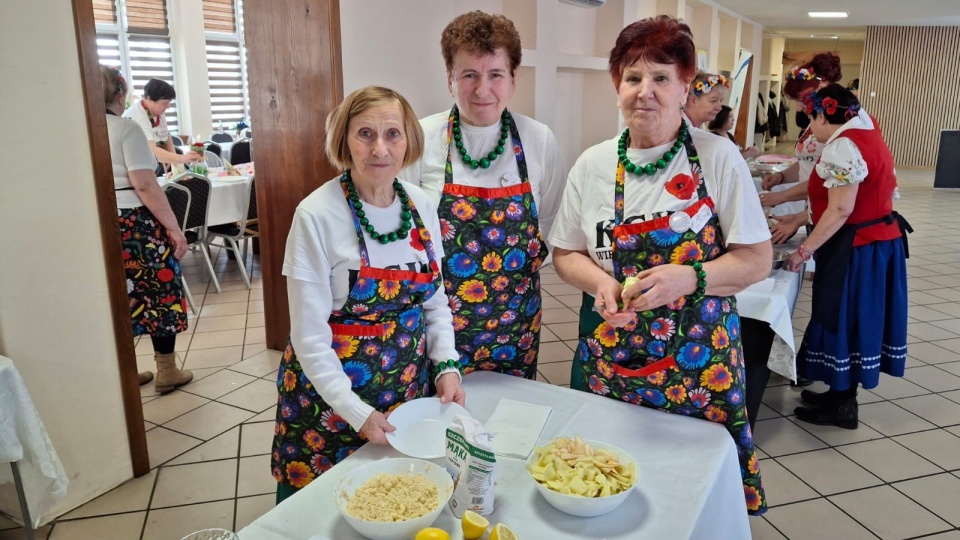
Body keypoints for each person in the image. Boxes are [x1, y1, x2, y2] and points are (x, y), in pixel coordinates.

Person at [548, 15, 771, 516]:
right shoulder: (594, 164)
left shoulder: (716, 158)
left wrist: (690, 277)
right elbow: (565, 253)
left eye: (661, 78)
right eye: (632, 77)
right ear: (616, 86)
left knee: (687, 495)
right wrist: (601, 282)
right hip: (611, 361)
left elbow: (756, 259)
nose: (644, 91)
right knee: (602, 484)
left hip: (698, 364)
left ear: (684, 87)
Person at [272, 86, 466, 502]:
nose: (380, 148)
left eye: (393, 133)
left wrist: (447, 364)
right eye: (365, 133)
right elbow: (308, 336)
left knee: (395, 503)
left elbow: (434, 303)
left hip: (405, 395)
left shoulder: (421, 205)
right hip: (330, 402)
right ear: (344, 140)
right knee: (322, 513)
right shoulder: (315, 214)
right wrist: (355, 412)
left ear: (409, 141)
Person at [398, 11, 565, 379]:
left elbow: (550, 224)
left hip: (515, 324)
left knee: (511, 423)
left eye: (495, 75)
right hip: (438, 323)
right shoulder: (421, 139)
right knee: (441, 426)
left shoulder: (538, 140)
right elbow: (402, 236)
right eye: (469, 74)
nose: (482, 89)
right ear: (450, 79)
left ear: (513, 79)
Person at [780, 84, 909, 429]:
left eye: (811, 121)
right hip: (875, 242)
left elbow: (840, 210)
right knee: (845, 315)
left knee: (843, 315)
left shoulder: (842, 146)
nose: (811, 130)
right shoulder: (866, 127)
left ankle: (843, 404)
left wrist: (803, 251)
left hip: (858, 246)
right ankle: (839, 392)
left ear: (823, 115)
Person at [103, 66, 193, 393]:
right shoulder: (126, 129)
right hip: (135, 221)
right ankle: (166, 370)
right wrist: (174, 228)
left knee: (116, 293)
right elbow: (144, 184)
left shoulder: (83, 129)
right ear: (119, 92)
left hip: (100, 219)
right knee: (159, 291)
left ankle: (125, 371)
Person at [760, 53, 844, 244]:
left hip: (832, 214)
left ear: (821, 89)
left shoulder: (838, 129)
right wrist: (781, 177)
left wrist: (781, 197)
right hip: (814, 208)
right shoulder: (816, 120)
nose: (798, 109)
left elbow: (827, 180)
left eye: (801, 101)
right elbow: (808, 161)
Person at [123, 78, 203, 172]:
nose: (168, 107)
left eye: (169, 103)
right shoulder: (138, 116)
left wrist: (174, 159)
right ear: (149, 98)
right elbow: (152, 151)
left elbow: (165, 133)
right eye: (165, 103)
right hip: (139, 166)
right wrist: (182, 158)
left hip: (155, 164)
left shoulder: (157, 110)